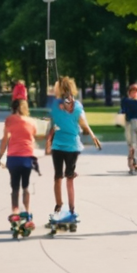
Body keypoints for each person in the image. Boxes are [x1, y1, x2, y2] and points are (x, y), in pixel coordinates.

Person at [42, 76, 100, 223]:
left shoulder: (57, 105)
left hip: (61, 146)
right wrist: (92, 136)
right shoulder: (74, 105)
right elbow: (83, 123)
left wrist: (48, 141)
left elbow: (52, 124)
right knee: (67, 178)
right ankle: (69, 209)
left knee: (59, 177)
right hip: (69, 146)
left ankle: (60, 207)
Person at [0, 97, 39, 229]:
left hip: (13, 158)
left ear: (12, 108)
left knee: (15, 187)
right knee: (25, 186)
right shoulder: (32, 122)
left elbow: (5, 139)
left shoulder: (9, 120)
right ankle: (27, 212)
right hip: (27, 158)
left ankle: (15, 211)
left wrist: (0, 156)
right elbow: (33, 136)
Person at [120, 83, 137, 173]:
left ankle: (135, 162)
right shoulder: (131, 101)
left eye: (136, 91)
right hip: (130, 123)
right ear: (129, 93)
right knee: (132, 144)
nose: (134, 93)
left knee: (135, 144)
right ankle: (133, 163)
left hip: (136, 124)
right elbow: (123, 110)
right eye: (132, 91)